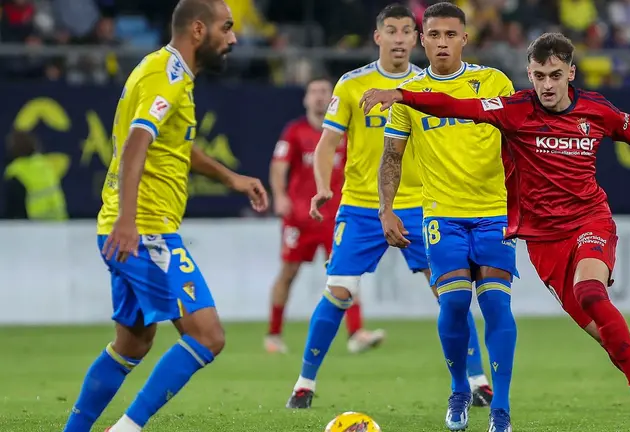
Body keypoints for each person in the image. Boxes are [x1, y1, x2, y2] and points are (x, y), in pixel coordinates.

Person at [361, 32, 630, 432]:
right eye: (538, 76)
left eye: (554, 75)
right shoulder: (514, 111)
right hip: (544, 241)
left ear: (571, 73)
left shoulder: (596, 110)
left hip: (589, 221)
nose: (546, 85)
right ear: (529, 75)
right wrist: (403, 96)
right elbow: (455, 106)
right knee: (608, 338)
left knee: (590, 292)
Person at [62, 1, 270, 431]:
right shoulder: (168, 77)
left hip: (129, 229)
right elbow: (139, 141)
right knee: (208, 336)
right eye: (226, 28)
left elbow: (174, 146)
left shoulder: (162, 70)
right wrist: (128, 220)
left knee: (132, 344)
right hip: (145, 232)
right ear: (198, 30)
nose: (233, 38)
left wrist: (230, 178)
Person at [286, 3, 494, 410]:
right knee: (339, 290)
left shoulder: (428, 85)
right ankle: (303, 384)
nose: (399, 38)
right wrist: (323, 185)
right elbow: (328, 140)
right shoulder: (350, 84)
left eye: (406, 31)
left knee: (449, 293)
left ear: (416, 39)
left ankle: (478, 381)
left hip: (423, 205)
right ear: (377, 36)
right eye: (391, 31)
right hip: (362, 207)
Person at [375, 3, 519, 431]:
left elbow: (520, 142)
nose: (441, 42)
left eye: (450, 35)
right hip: (442, 215)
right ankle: (459, 389)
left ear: (464, 39)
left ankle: (501, 408)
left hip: (495, 212)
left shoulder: (493, 82)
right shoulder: (410, 95)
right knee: (454, 302)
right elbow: (391, 157)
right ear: (423, 40)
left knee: (495, 303)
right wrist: (386, 209)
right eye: (433, 35)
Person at [267, 76, 384, 355]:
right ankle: (274, 334)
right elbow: (278, 166)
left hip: (338, 216)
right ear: (306, 99)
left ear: (332, 98)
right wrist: (281, 196)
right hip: (300, 217)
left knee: (347, 272)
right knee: (288, 272)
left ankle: (356, 333)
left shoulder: (343, 132)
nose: (319, 97)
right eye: (314, 92)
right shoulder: (294, 132)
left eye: (324, 92)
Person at [3, 130, 68, 220]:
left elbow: (13, 211)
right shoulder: (45, 165)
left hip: (34, 229)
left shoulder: (16, 173)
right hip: (60, 225)